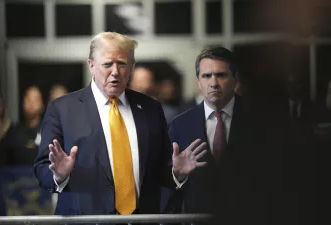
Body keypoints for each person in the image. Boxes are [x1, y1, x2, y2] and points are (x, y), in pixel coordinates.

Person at [33, 32, 207, 217]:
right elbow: (42, 168)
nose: (115, 71)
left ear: (132, 67)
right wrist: (59, 176)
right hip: (85, 221)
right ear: (91, 65)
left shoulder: (150, 109)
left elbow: (159, 169)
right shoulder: (62, 109)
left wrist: (176, 173)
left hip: (142, 220)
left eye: (122, 64)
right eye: (107, 64)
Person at [168, 46, 286, 225]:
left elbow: (281, 176)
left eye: (221, 75)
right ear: (198, 82)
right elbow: (168, 185)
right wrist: (179, 175)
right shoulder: (180, 124)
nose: (213, 83)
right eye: (206, 76)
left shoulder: (263, 120)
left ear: (235, 80)